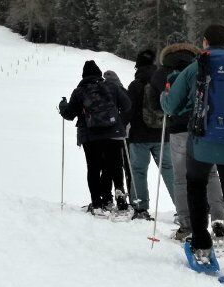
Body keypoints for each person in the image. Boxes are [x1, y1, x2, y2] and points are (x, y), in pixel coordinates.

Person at [160, 24, 224, 282]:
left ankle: (202, 248)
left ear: (204, 42)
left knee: (196, 189)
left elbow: (172, 105)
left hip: (201, 143)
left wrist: (165, 96)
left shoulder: (195, 68)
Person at [152, 41, 224, 243]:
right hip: (204, 128)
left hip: (178, 131)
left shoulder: (162, 72)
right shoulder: (201, 67)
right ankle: (219, 219)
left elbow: (155, 104)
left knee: (181, 178)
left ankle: (187, 226)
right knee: (210, 174)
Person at [58, 60, 131, 215]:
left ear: (84, 75)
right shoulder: (111, 87)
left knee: (93, 167)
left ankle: (97, 203)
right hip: (113, 133)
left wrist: (63, 105)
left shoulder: (79, 91)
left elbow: (69, 114)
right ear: (99, 73)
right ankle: (118, 193)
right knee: (113, 164)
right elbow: (127, 105)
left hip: (90, 136)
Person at [126, 50, 176, 221]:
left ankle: (141, 208)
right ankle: (182, 209)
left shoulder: (135, 85)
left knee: (139, 171)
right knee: (169, 170)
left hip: (139, 136)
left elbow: (129, 110)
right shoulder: (163, 82)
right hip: (163, 135)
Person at [102, 71, 133, 212]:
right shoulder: (123, 91)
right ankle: (128, 197)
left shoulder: (101, 92)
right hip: (125, 135)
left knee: (109, 166)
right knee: (127, 166)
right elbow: (129, 110)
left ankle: (107, 197)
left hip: (107, 135)